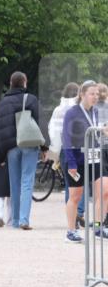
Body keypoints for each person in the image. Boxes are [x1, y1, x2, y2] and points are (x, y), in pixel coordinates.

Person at [0, 71, 47, 230]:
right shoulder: (30, 99)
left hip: (11, 148)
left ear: (10, 83)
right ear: (24, 82)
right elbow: (40, 123)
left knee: (14, 184)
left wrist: (0, 155)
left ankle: (15, 221)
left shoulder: (2, 103)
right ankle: (24, 219)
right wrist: (45, 147)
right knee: (27, 182)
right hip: (29, 144)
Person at [63, 81, 107, 243]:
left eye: (97, 94)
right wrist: (71, 163)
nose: (95, 97)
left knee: (104, 192)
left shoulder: (95, 112)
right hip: (76, 158)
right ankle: (71, 231)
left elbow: (91, 133)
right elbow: (66, 139)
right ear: (82, 94)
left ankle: (97, 227)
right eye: (92, 94)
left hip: (94, 157)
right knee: (75, 196)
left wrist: (102, 132)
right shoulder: (72, 112)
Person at [49, 82, 84, 229]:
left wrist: (55, 153)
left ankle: (71, 215)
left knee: (69, 184)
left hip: (64, 149)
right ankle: (79, 213)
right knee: (82, 183)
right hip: (80, 149)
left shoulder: (58, 109)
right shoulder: (80, 109)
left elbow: (54, 132)